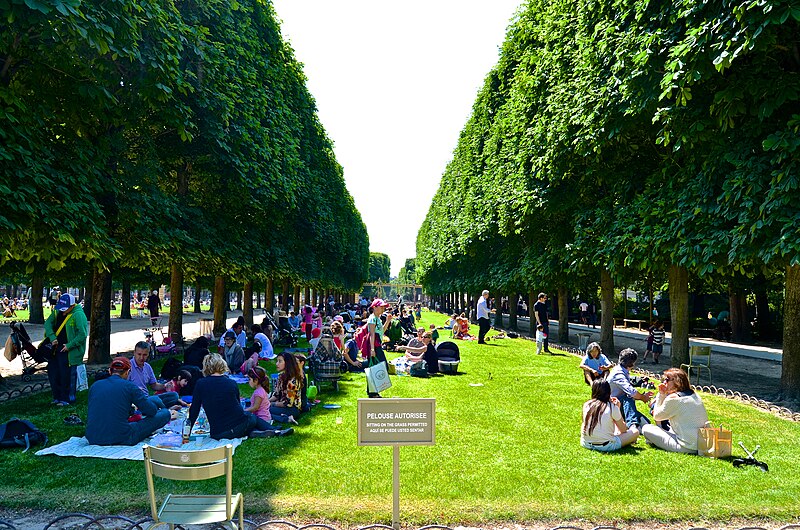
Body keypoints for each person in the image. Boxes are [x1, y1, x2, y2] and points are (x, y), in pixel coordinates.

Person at [188, 354, 290, 439]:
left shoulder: (200, 384)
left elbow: (194, 410)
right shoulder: (231, 383)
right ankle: (273, 430)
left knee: (247, 419)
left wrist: (187, 432)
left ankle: (258, 432)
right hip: (238, 426)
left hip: (218, 433)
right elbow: (238, 408)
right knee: (251, 417)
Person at [86, 357, 173, 446]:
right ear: (128, 372)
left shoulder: (95, 386)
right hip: (122, 437)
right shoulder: (129, 386)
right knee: (165, 413)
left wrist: (130, 409)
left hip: (93, 437)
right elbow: (151, 411)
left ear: (110, 371)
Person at [641, 368, 709, 453]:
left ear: (677, 382)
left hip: (686, 446)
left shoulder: (673, 399)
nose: (664, 382)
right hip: (702, 444)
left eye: (667, 379)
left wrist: (661, 395)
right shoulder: (694, 395)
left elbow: (657, 416)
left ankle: (653, 440)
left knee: (646, 428)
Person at [44, 293, 88, 406]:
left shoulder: (78, 315)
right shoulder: (57, 311)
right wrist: (52, 337)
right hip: (55, 349)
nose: (63, 312)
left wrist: (69, 345)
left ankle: (67, 399)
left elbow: (82, 334)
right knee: (54, 373)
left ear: (72, 306)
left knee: (67, 376)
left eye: (65, 309)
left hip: (69, 352)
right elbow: (48, 323)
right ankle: (57, 397)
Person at [580, 379, 639, 452]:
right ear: (609, 392)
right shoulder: (612, 407)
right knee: (635, 431)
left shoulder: (587, 404)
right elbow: (623, 429)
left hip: (586, 443)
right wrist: (617, 407)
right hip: (606, 446)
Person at [607, 348, 653, 431]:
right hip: (612, 406)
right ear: (632, 363)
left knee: (647, 423)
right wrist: (643, 397)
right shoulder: (618, 374)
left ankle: (635, 423)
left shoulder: (621, 370)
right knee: (628, 397)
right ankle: (632, 425)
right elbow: (632, 392)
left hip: (619, 405)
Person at [129, 341, 185, 408]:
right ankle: (164, 409)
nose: (141, 358)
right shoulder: (128, 367)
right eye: (139, 354)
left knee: (174, 395)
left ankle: (157, 408)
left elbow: (154, 385)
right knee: (154, 401)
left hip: (147, 399)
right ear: (134, 353)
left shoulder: (147, 367)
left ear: (148, 354)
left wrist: (165, 385)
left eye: (144, 355)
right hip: (134, 401)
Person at [366, 298, 391, 397]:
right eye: (381, 307)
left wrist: (388, 321)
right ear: (375, 307)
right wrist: (372, 349)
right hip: (374, 347)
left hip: (377, 346)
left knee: (379, 367)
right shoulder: (372, 319)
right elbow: (372, 334)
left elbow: (381, 331)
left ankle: (373, 391)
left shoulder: (378, 319)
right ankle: (372, 392)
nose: (383, 309)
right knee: (376, 368)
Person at [269, 352, 302, 424]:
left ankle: (286, 419)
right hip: (280, 405)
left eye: (280, 361)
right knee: (262, 409)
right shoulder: (281, 376)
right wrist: (267, 401)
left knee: (263, 411)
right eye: (277, 361)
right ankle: (284, 418)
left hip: (291, 409)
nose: (277, 364)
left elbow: (288, 403)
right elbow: (276, 394)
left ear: (287, 363)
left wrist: (272, 404)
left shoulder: (293, 380)